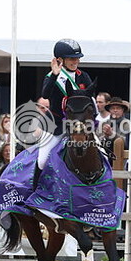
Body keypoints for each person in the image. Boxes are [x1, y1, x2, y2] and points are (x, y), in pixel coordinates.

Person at [37, 39, 92, 183]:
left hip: (80, 126)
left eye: (77, 58)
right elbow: (45, 95)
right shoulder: (52, 77)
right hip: (56, 125)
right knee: (42, 160)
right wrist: (55, 75)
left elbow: (89, 100)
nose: (76, 61)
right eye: (72, 58)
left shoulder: (83, 76)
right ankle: (34, 190)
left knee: (102, 152)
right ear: (60, 60)